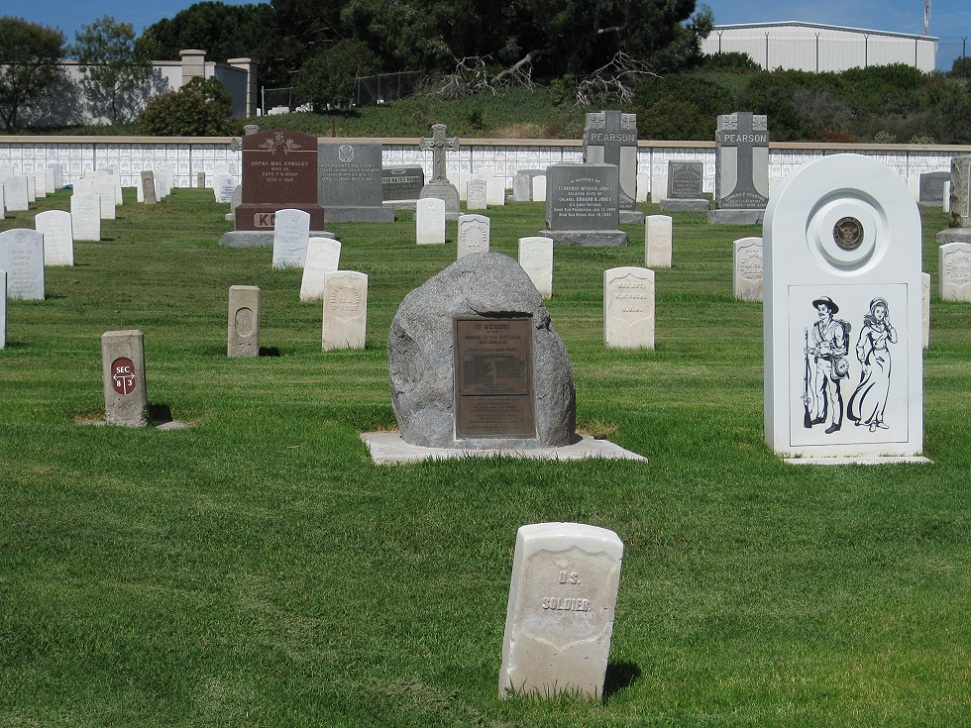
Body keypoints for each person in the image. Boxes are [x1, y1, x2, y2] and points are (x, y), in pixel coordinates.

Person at [847, 297, 897, 432]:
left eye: (882, 312)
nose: (880, 314)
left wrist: (889, 325)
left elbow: (894, 339)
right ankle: (867, 418)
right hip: (873, 358)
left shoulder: (885, 326)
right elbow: (859, 346)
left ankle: (879, 418)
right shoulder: (868, 327)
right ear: (872, 311)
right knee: (871, 387)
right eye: (877, 311)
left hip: (885, 357)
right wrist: (863, 362)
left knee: (884, 388)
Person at [805, 296, 849, 434]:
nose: (821, 312)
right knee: (817, 390)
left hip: (832, 364)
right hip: (819, 363)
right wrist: (811, 351)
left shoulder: (837, 327)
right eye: (819, 309)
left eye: (823, 309)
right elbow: (818, 348)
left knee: (833, 394)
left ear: (830, 311)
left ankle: (836, 422)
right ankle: (820, 415)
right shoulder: (816, 327)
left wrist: (829, 350)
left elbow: (843, 350)